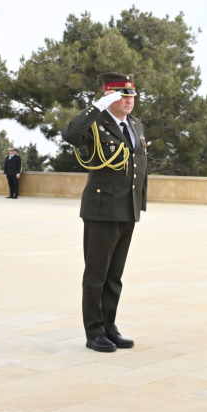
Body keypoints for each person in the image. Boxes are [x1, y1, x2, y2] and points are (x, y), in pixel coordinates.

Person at [61, 72, 148, 352]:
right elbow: (70, 135)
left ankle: (109, 327)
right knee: (96, 275)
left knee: (114, 275)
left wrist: (139, 204)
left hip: (127, 208)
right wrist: (96, 106)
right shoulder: (96, 123)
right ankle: (94, 331)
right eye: (121, 95)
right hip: (101, 209)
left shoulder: (135, 125)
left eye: (131, 95)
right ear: (109, 96)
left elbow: (139, 169)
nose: (128, 100)